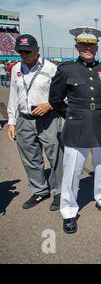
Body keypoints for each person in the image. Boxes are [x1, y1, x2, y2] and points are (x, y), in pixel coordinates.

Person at [49, 27, 101, 234]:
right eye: (84, 45)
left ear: (97, 47)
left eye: (91, 45)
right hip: (76, 127)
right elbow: (54, 100)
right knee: (72, 172)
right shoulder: (66, 70)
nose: (88, 48)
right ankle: (69, 211)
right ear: (77, 46)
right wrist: (72, 115)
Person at [7, 34, 63, 211]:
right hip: (24, 119)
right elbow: (13, 95)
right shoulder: (16, 68)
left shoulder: (51, 68)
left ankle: (60, 192)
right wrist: (11, 122)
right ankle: (40, 190)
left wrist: (49, 104)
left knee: (55, 156)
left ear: (37, 50)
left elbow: (63, 94)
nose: (24, 55)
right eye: (21, 51)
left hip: (48, 118)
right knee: (30, 158)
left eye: (28, 51)